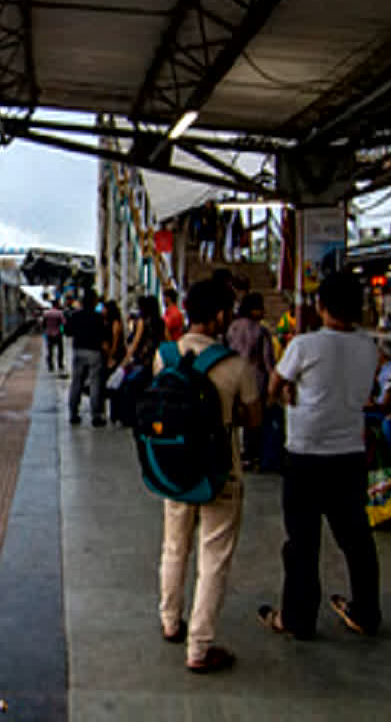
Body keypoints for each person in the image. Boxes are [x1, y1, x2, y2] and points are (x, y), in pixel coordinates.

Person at [258, 272, 381, 640]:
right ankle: (366, 612)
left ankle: (296, 618)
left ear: (320, 305)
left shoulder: (304, 344)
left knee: (302, 542)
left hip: (305, 454)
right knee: (357, 538)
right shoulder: (369, 346)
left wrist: (288, 393)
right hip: (350, 455)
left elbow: (274, 385)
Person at [157, 278, 261, 674]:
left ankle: (170, 621)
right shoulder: (235, 366)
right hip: (220, 473)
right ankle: (199, 648)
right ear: (219, 315)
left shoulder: (164, 356)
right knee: (213, 558)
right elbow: (254, 421)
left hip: (174, 469)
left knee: (173, 546)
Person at [227, 293, 275, 469]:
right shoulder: (261, 331)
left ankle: (236, 453)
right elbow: (268, 361)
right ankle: (251, 455)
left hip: (233, 377)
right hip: (256, 379)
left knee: (234, 416)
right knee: (254, 420)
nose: (263, 311)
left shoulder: (232, 328)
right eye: (260, 307)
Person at [117, 296, 167, 427]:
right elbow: (168, 340)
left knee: (131, 387)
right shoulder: (160, 322)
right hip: (157, 361)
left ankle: (131, 417)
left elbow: (135, 342)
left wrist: (125, 361)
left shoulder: (142, 322)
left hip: (143, 361)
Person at [65, 289, 110, 426]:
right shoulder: (98, 317)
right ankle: (96, 416)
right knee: (95, 383)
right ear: (94, 302)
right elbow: (104, 335)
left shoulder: (75, 315)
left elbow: (67, 332)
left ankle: (73, 413)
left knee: (76, 382)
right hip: (95, 353)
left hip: (79, 351)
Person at [42, 301, 66, 373]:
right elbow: (63, 323)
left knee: (50, 350)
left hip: (49, 334)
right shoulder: (59, 313)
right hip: (58, 333)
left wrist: (46, 330)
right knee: (60, 350)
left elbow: (44, 324)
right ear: (57, 305)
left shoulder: (46, 313)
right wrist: (61, 331)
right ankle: (60, 364)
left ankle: (50, 365)